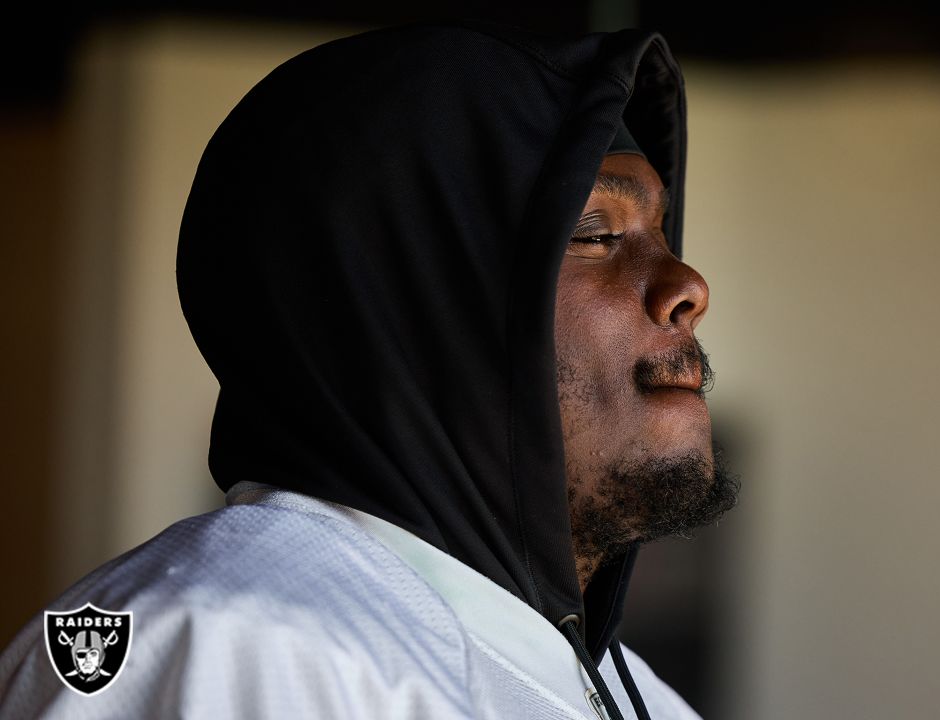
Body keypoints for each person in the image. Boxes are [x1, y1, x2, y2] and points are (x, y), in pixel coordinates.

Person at [0, 17, 739, 720]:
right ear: (404, 304)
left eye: (663, 232)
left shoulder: (637, 697)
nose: (689, 286)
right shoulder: (225, 644)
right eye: (594, 233)